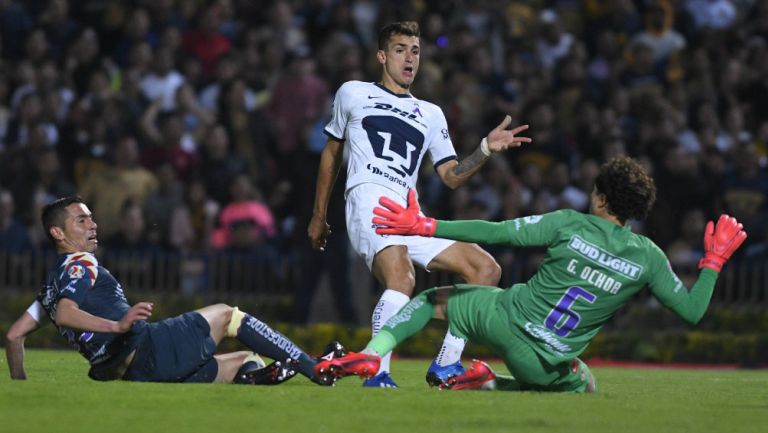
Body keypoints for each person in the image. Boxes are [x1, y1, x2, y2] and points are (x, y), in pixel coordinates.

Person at [315, 156, 747, 392]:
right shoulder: (649, 258)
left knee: (430, 301)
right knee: (586, 386)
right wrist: (712, 264)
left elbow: (498, 231)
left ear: (599, 199)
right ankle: (490, 383)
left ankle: (377, 352)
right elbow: (692, 311)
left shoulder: (569, 224)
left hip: (503, 318)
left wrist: (429, 226)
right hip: (544, 362)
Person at [307, 21, 531, 388]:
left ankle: (445, 365)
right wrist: (319, 214)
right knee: (401, 277)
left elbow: (452, 176)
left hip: (408, 214)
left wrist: (486, 149)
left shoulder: (431, 113)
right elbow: (331, 155)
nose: (409, 57)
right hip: (368, 198)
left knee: (485, 269)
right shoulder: (352, 92)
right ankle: (377, 373)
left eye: (415, 50)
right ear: (382, 56)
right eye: (399, 49)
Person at [4, 196, 342, 385]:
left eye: (91, 217)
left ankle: (257, 378)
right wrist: (118, 326)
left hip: (136, 373)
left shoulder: (50, 287)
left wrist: (19, 386)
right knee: (228, 315)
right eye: (81, 220)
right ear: (57, 234)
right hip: (149, 348)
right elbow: (67, 312)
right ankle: (315, 369)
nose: (92, 224)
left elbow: (14, 336)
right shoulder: (81, 263)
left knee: (247, 360)